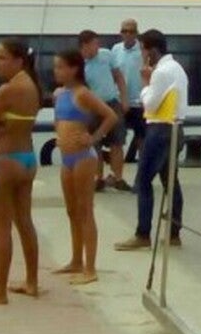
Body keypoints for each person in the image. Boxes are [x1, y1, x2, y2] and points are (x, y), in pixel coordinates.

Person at [0, 38, 42, 304]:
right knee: (25, 221)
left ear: (18, 60)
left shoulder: (7, 90)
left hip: (4, 160)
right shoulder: (32, 86)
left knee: (1, 226)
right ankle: (32, 282)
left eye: (1, 57)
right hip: (27, 158)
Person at [115, 28, 187, 251]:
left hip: (160, 129)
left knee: (143, 182)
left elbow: (150, 104)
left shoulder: (160, 73)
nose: (142, 55)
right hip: (176, 128)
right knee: (170, 182)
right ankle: (174, 232)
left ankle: (142, 233)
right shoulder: (178, 68)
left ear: (152, 50)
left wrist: (145, 83)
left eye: (143, 50)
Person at [51, 49, 117, 286]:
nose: (56, 71)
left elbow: (110, 116)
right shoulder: (60, 94)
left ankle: (90, 267)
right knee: (72, 211)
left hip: (83, 158)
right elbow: (58, 121)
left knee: (85, 210)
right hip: (66, 157)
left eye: (60, 67)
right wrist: (59, 136)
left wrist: (94, 137)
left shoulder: (83, 93)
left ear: (74, 69)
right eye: (55, 67)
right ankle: (76, 259)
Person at [80, 30, 130, 192]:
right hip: (92, 106)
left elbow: (118, 77)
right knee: (95, 142)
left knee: (117, 141)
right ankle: (98, 178)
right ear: (85, 46)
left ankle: (118, 177)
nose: (97, 47)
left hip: (112, 102)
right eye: (94, 44)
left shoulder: (106, 55)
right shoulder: (80, 64)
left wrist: (124, 98)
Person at [111, 19, 145, 162]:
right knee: (117, 140)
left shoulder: (143, 50)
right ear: (121, 33)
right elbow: (113, 74)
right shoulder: (115, 49)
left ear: (136, 33)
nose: (128, 34)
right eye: (124, 31)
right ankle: (116, 172)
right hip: (120, 102)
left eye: (131, 31)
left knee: (142, 138)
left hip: (139, 102)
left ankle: (144, 170)